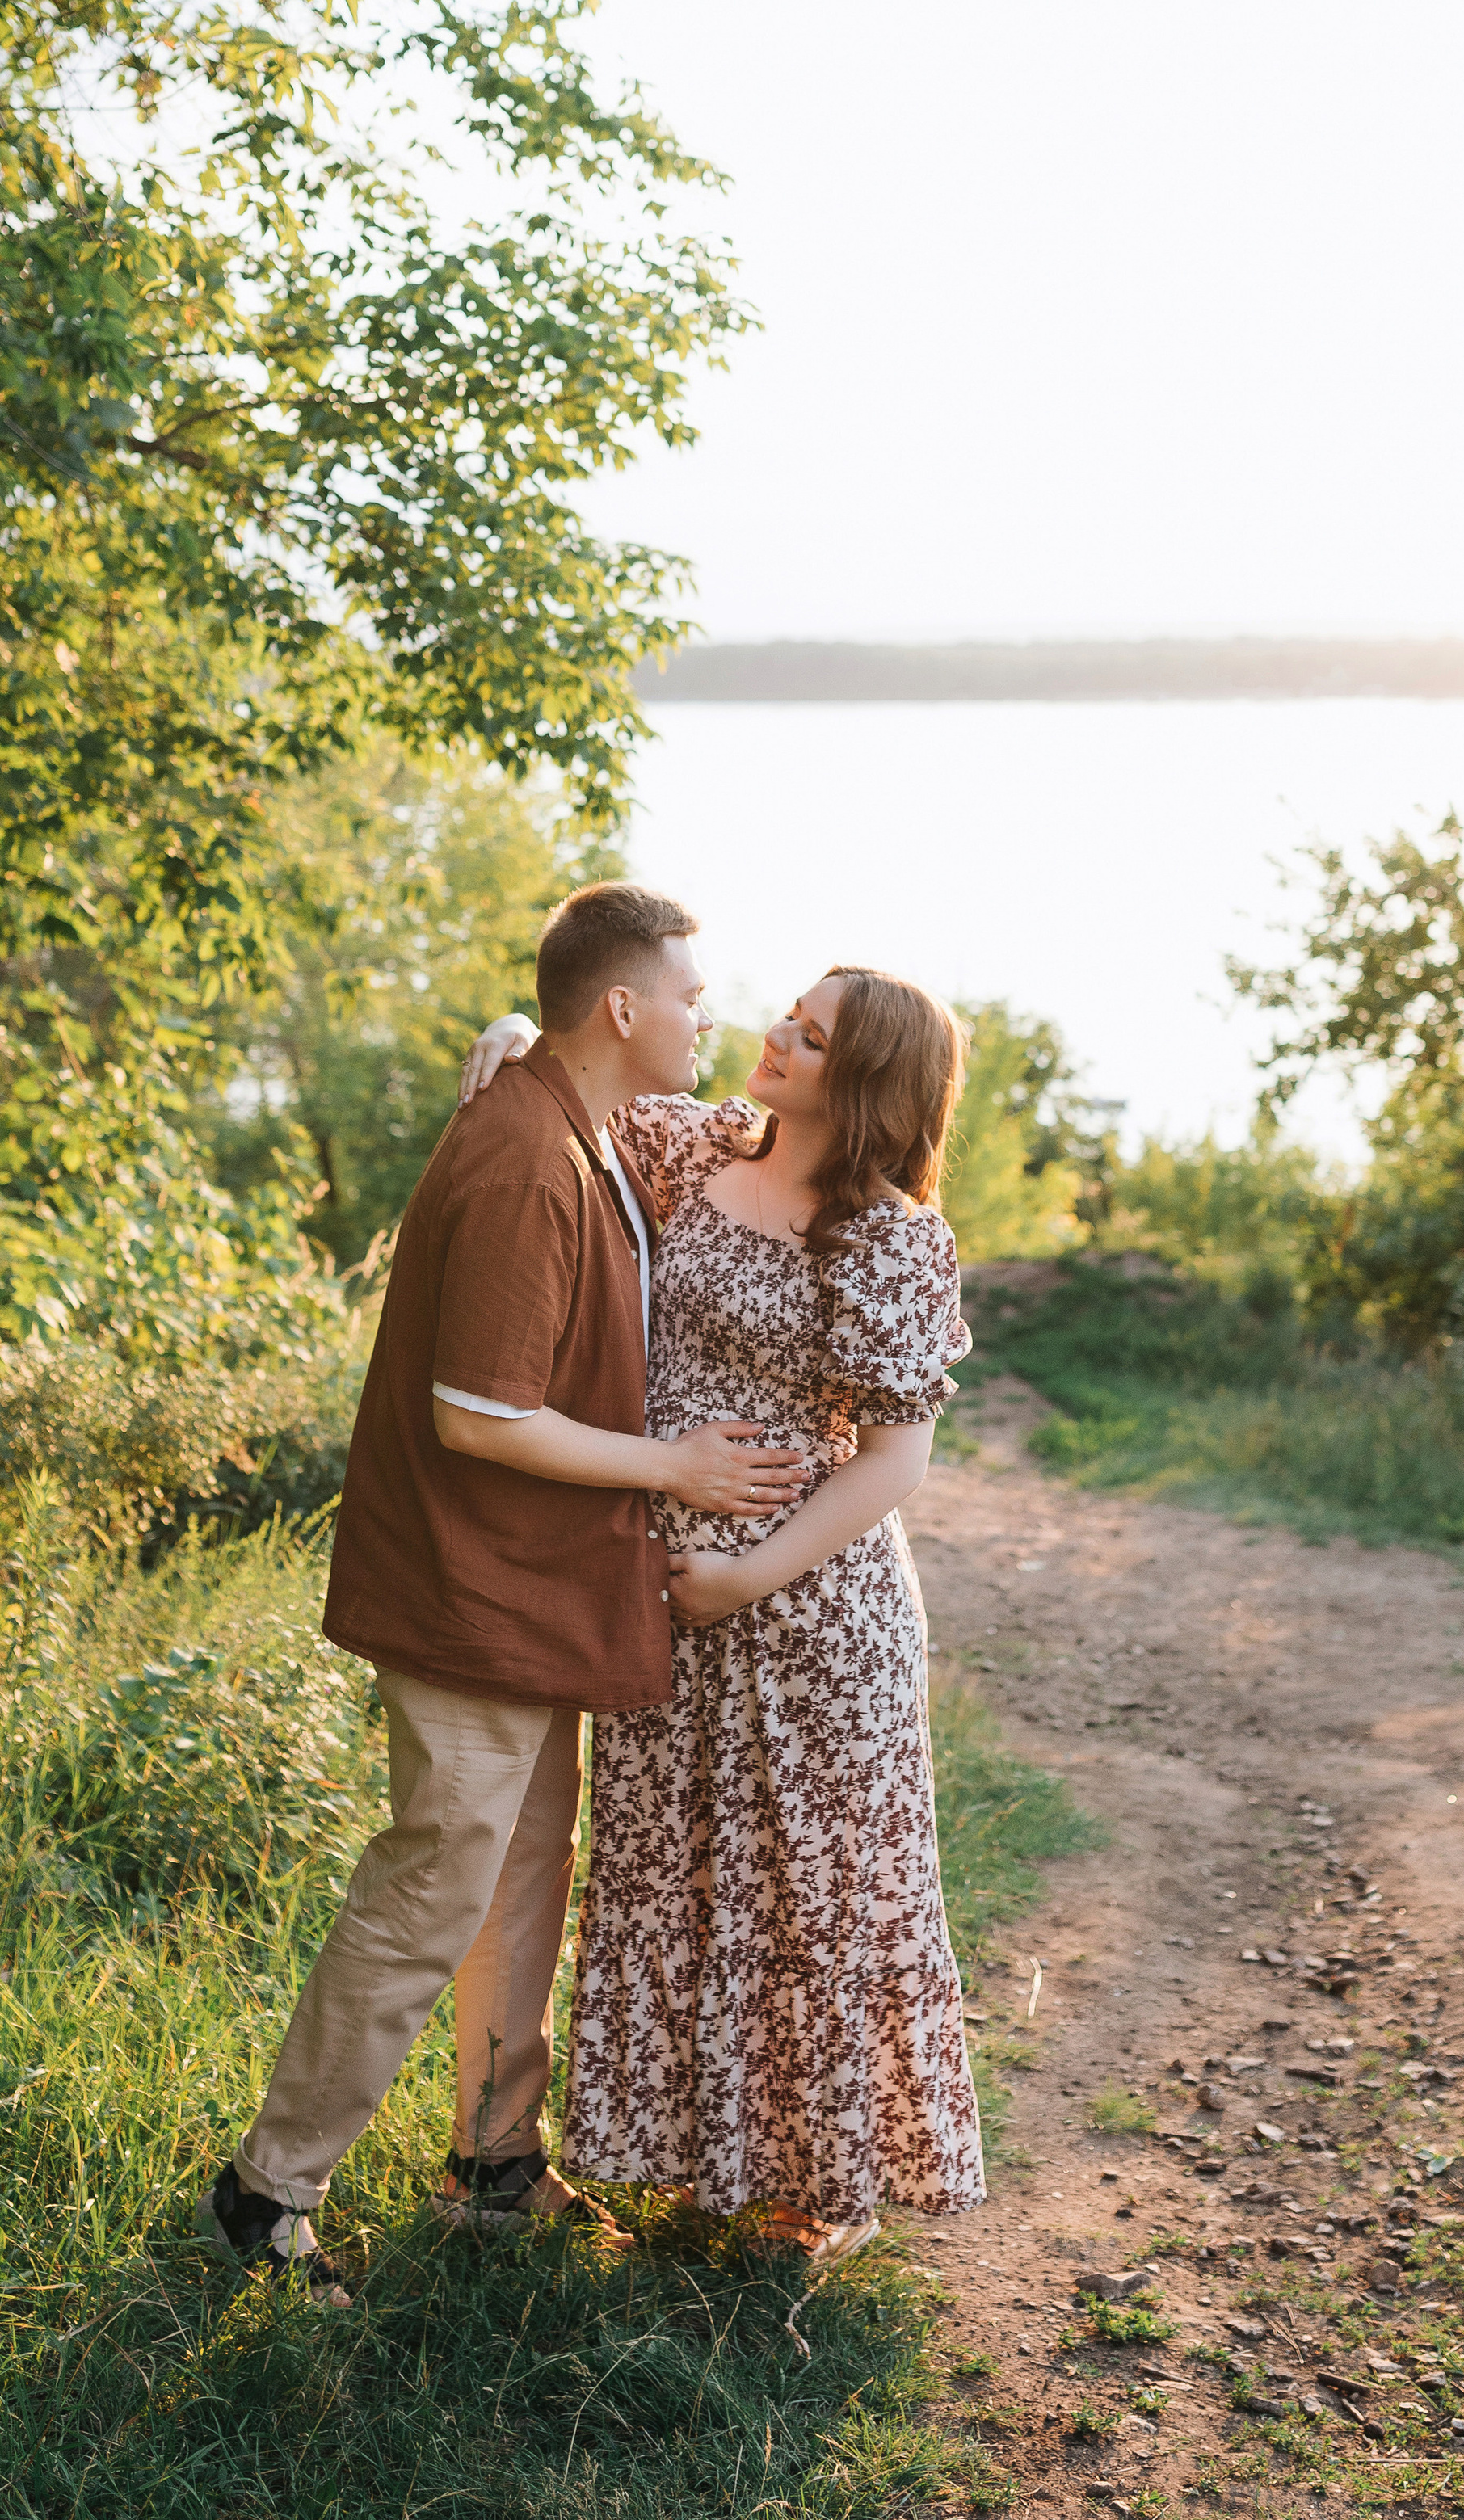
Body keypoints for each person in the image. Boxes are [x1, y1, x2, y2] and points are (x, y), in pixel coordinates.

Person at [200, 883, 807, 2302]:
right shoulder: (534, 1152)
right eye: (690, 993)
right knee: (433, 1889)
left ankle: (491, 2161)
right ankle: (267, 2193)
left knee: (516, 1880)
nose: (707, 1013)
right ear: (621, 1008)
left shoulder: (584, 1119)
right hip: (469, 1590)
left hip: (533, 1595)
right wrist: (679, 1467)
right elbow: (480, 1411)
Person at [460, 965, 983, 2265]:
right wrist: (521, 1032)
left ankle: (822, 2193)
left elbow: (895, 1457)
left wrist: (752, 1574)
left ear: (866, 1081)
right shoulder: (689, 1146)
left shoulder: (888, 1234)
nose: (777, 1037)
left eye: (811, 1039)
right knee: (685, 1882)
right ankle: (702, 2169)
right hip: (663, 1610)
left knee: (812, 1898)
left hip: (816, 1622)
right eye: (788, 1018)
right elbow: (579, 1088)